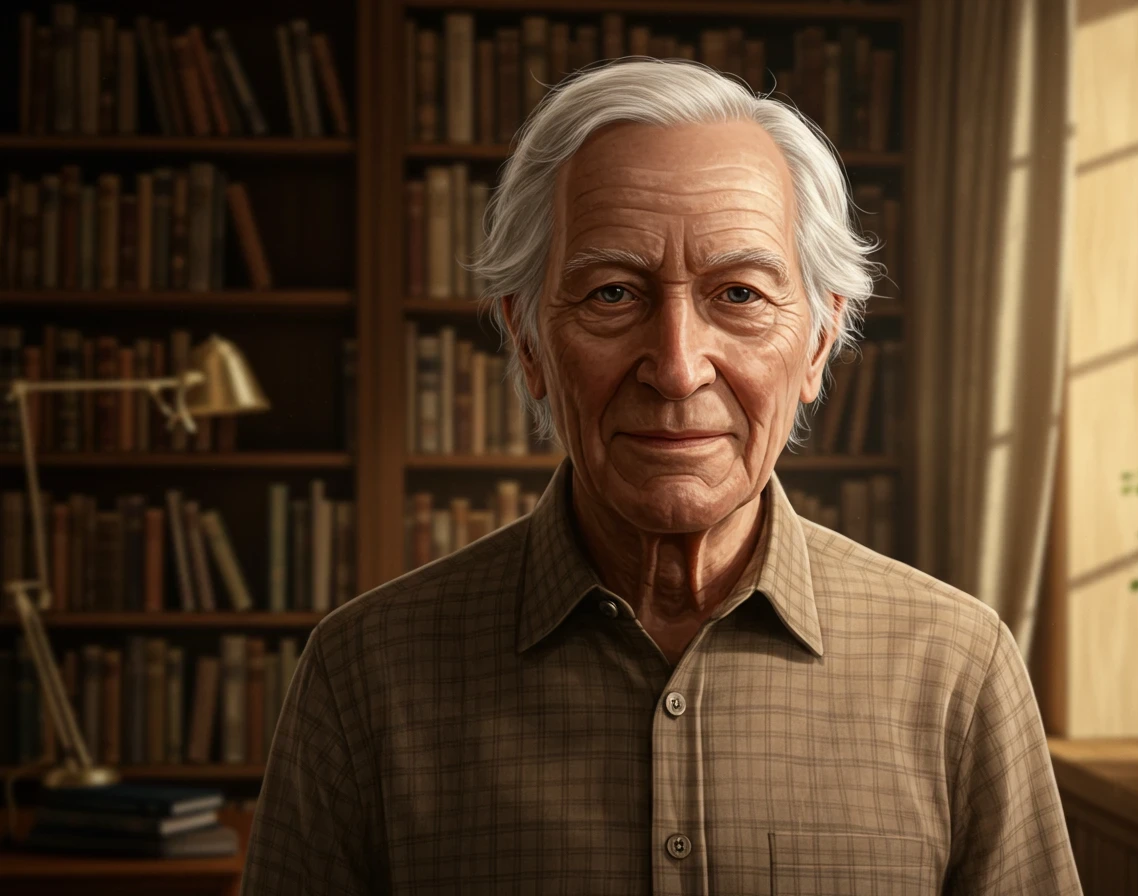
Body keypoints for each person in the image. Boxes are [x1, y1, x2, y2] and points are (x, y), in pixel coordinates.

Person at [241, 59, 1082, 895]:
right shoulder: (362, 674)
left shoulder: (958, 668)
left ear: (819, 343)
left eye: (740, 295)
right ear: (528, 341)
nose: (678, 369)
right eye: (612, 294)